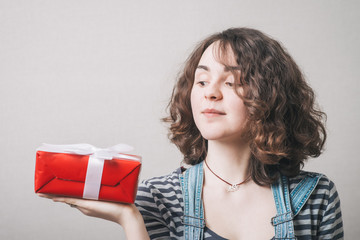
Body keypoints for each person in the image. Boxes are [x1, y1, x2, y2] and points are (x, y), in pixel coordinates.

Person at [39, 27, 344, 239]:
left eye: (232, 82)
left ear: (271, 97)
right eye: (201, 81)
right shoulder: (157, 197)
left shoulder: (317, 197)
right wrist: (128, 219)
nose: (210, 93)